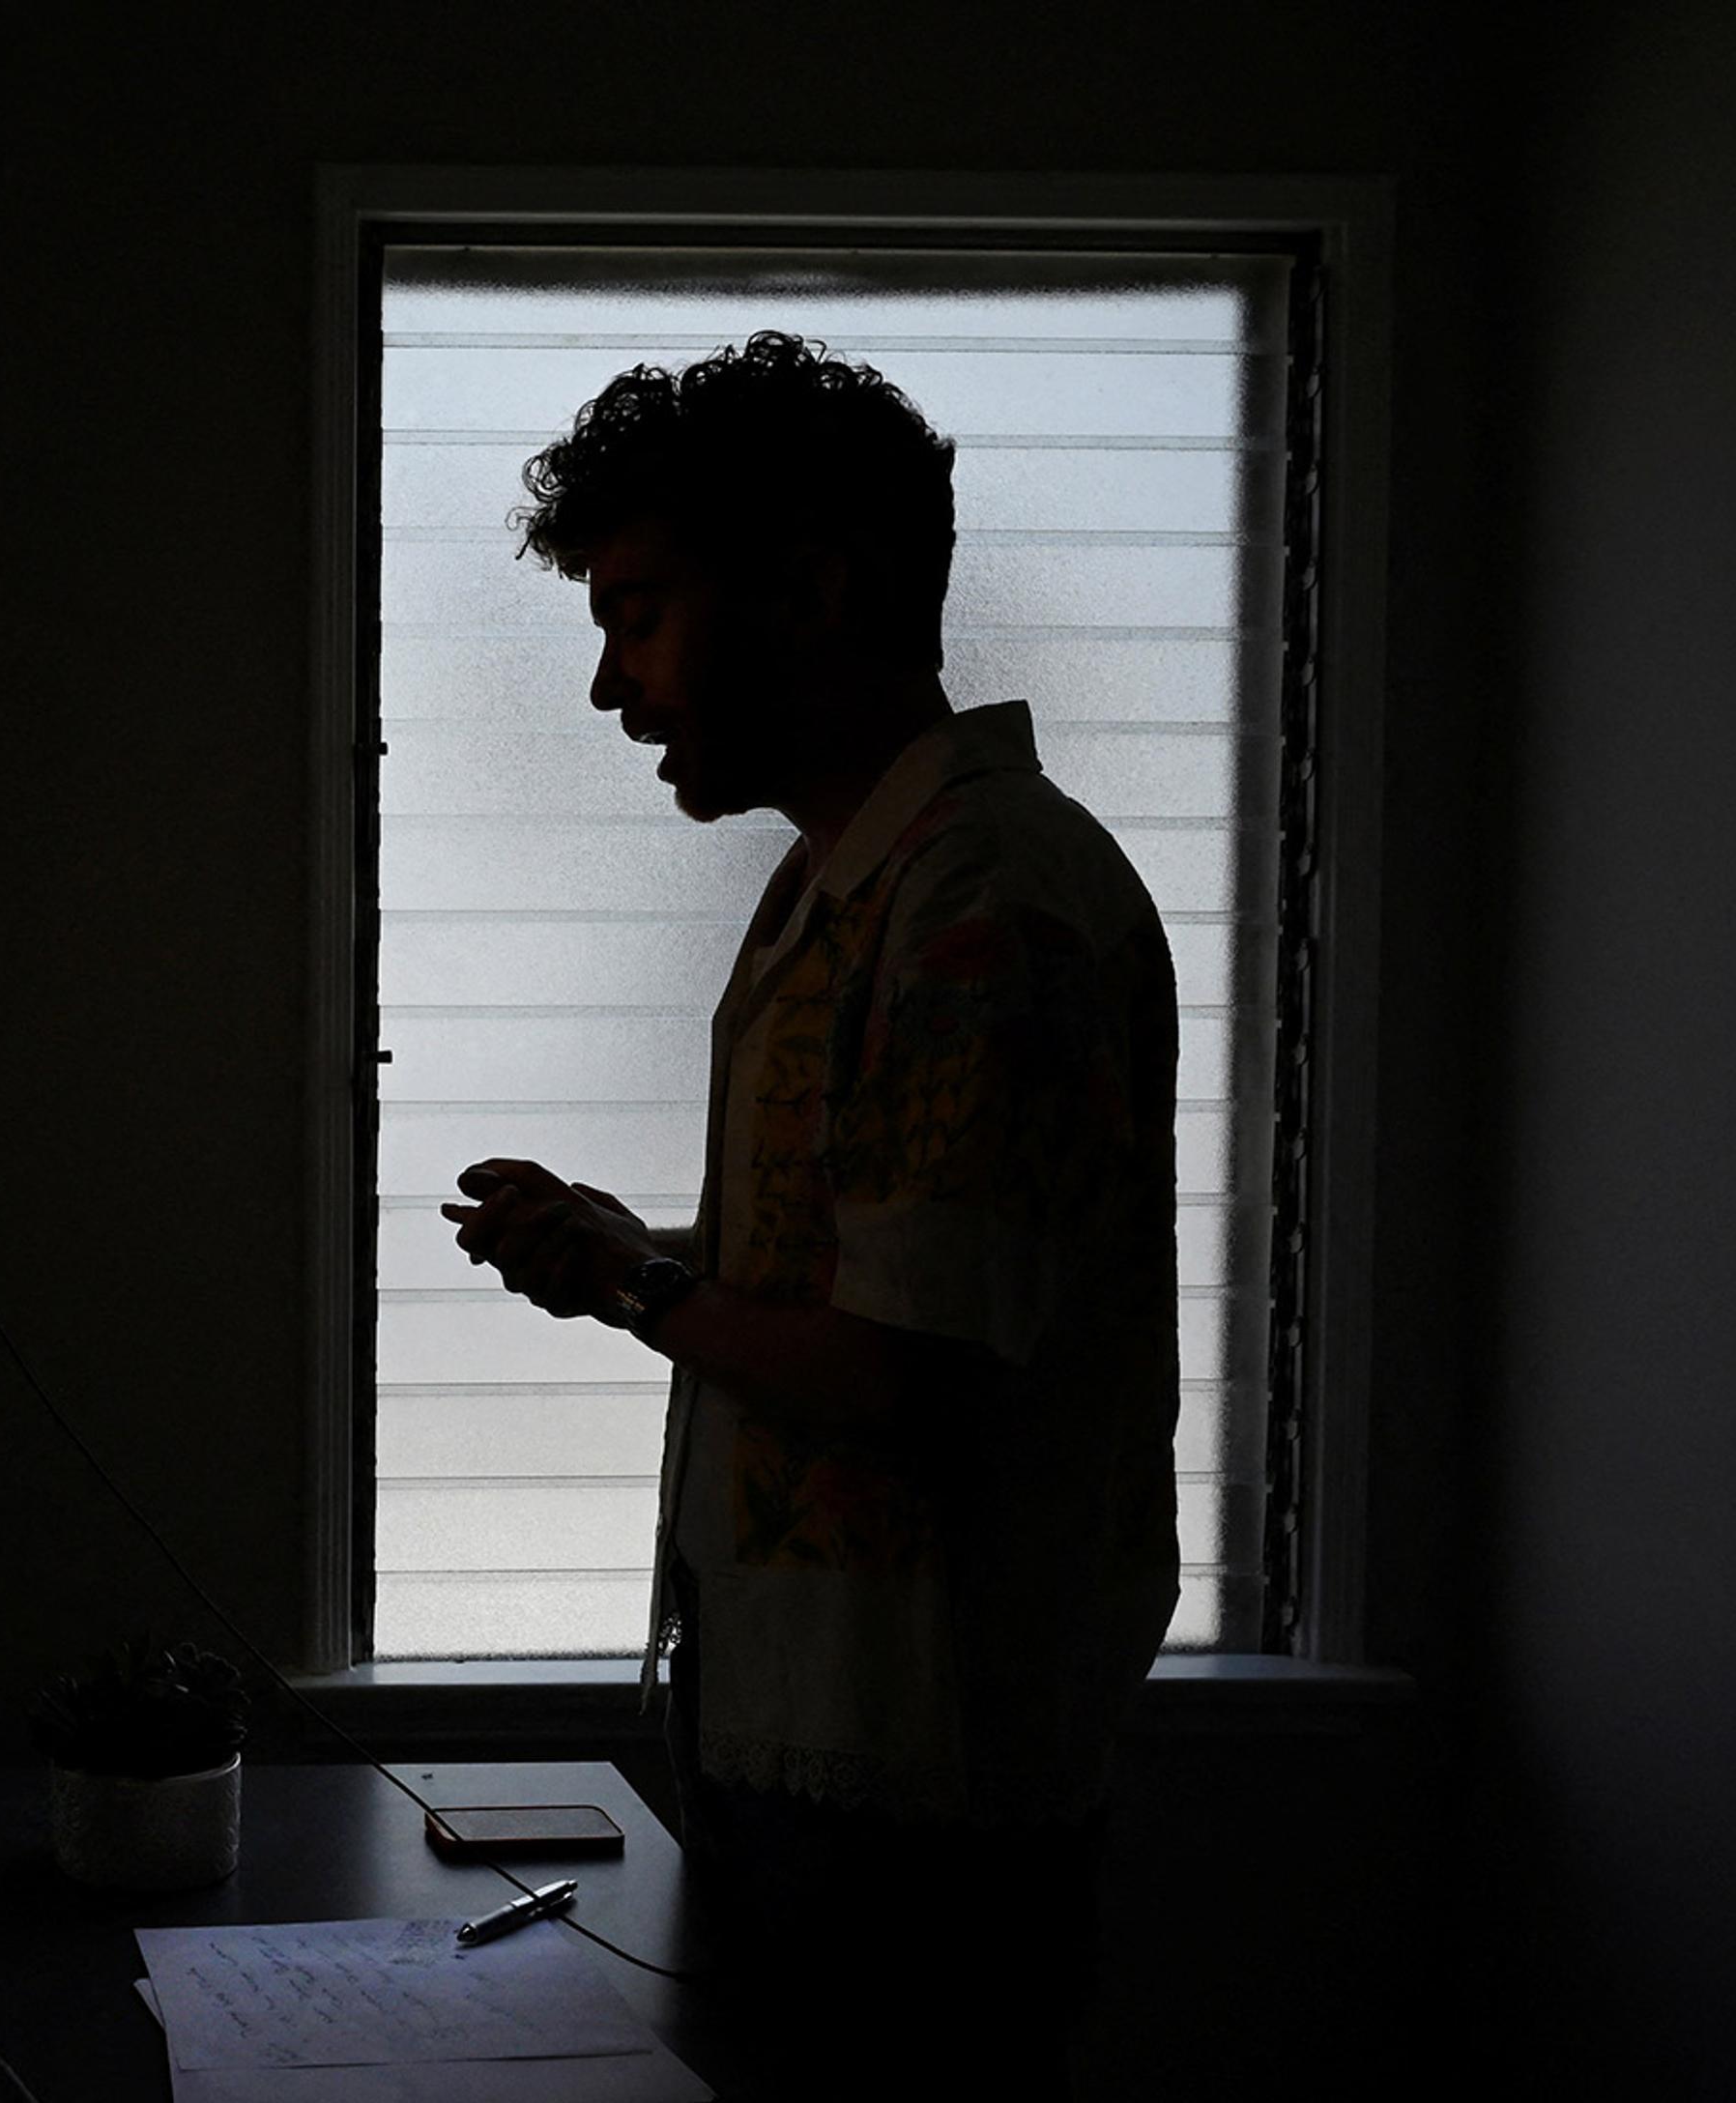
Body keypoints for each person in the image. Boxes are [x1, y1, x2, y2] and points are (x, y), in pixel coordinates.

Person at [438, 331, 1178, 2100]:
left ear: (818, 585)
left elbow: (900, 1377)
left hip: (912, 1805)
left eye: (640, 613)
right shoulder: (859, 881)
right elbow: (867, 1306)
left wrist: (630, 1281)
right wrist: (655, 1263)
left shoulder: (980, 903)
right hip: (831, 1766)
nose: (617, 690)